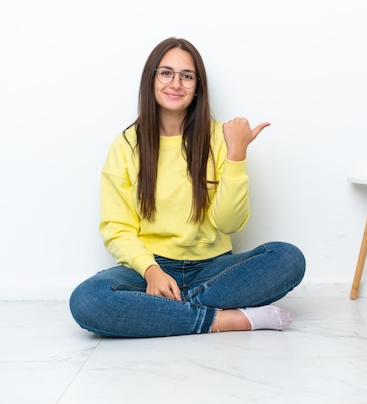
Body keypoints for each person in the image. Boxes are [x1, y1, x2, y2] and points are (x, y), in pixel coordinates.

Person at [69, 37, 306, 337]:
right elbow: (117, 227)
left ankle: (161, 312)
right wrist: (151, 271)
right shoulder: (126, 145)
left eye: (187, 76)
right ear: (151, 79)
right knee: (88, 300)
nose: (176, 83)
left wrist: (236, 154)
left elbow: (228, 223)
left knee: (289, 259)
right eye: (166, 72)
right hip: (149, 267)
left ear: (197, 87)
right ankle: (224, 320)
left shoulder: (221, 137)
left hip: (213, 270)